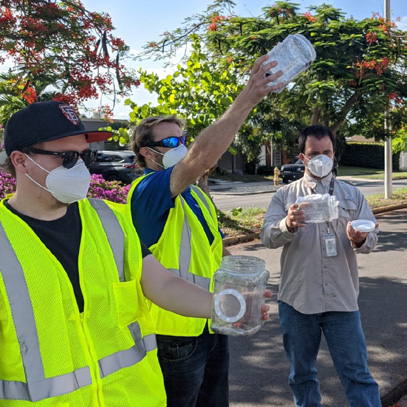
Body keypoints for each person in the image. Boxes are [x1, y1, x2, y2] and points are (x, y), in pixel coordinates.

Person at [0, 101, 271, 407]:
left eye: (84, 156)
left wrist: (223, 305)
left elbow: (162, 284)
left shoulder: (110, 219)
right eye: (67, 157)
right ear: (21, 161)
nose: (80, 167)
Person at [128, 55, 284, 407]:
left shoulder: (195, 194)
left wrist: (243, 294)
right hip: (175, 334)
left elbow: (216, 251)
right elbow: (199, 159)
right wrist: (250, 96)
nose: (180, 146)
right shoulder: (148, 190)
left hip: (211, 321)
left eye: (182, 138)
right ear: (146, 153)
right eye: (170, 143)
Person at [260, 125, 381, 407]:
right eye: (315, 153)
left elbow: (372, 237)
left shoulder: (353, 195)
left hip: (342, 301)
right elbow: (266, 236)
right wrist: (286, 225)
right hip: (298, 301)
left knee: (357, 374)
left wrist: (360, 239)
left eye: (327, 152)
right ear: (302, 157)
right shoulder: (285, 196)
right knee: (301, 375)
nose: (322, 158)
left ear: (334, 153)